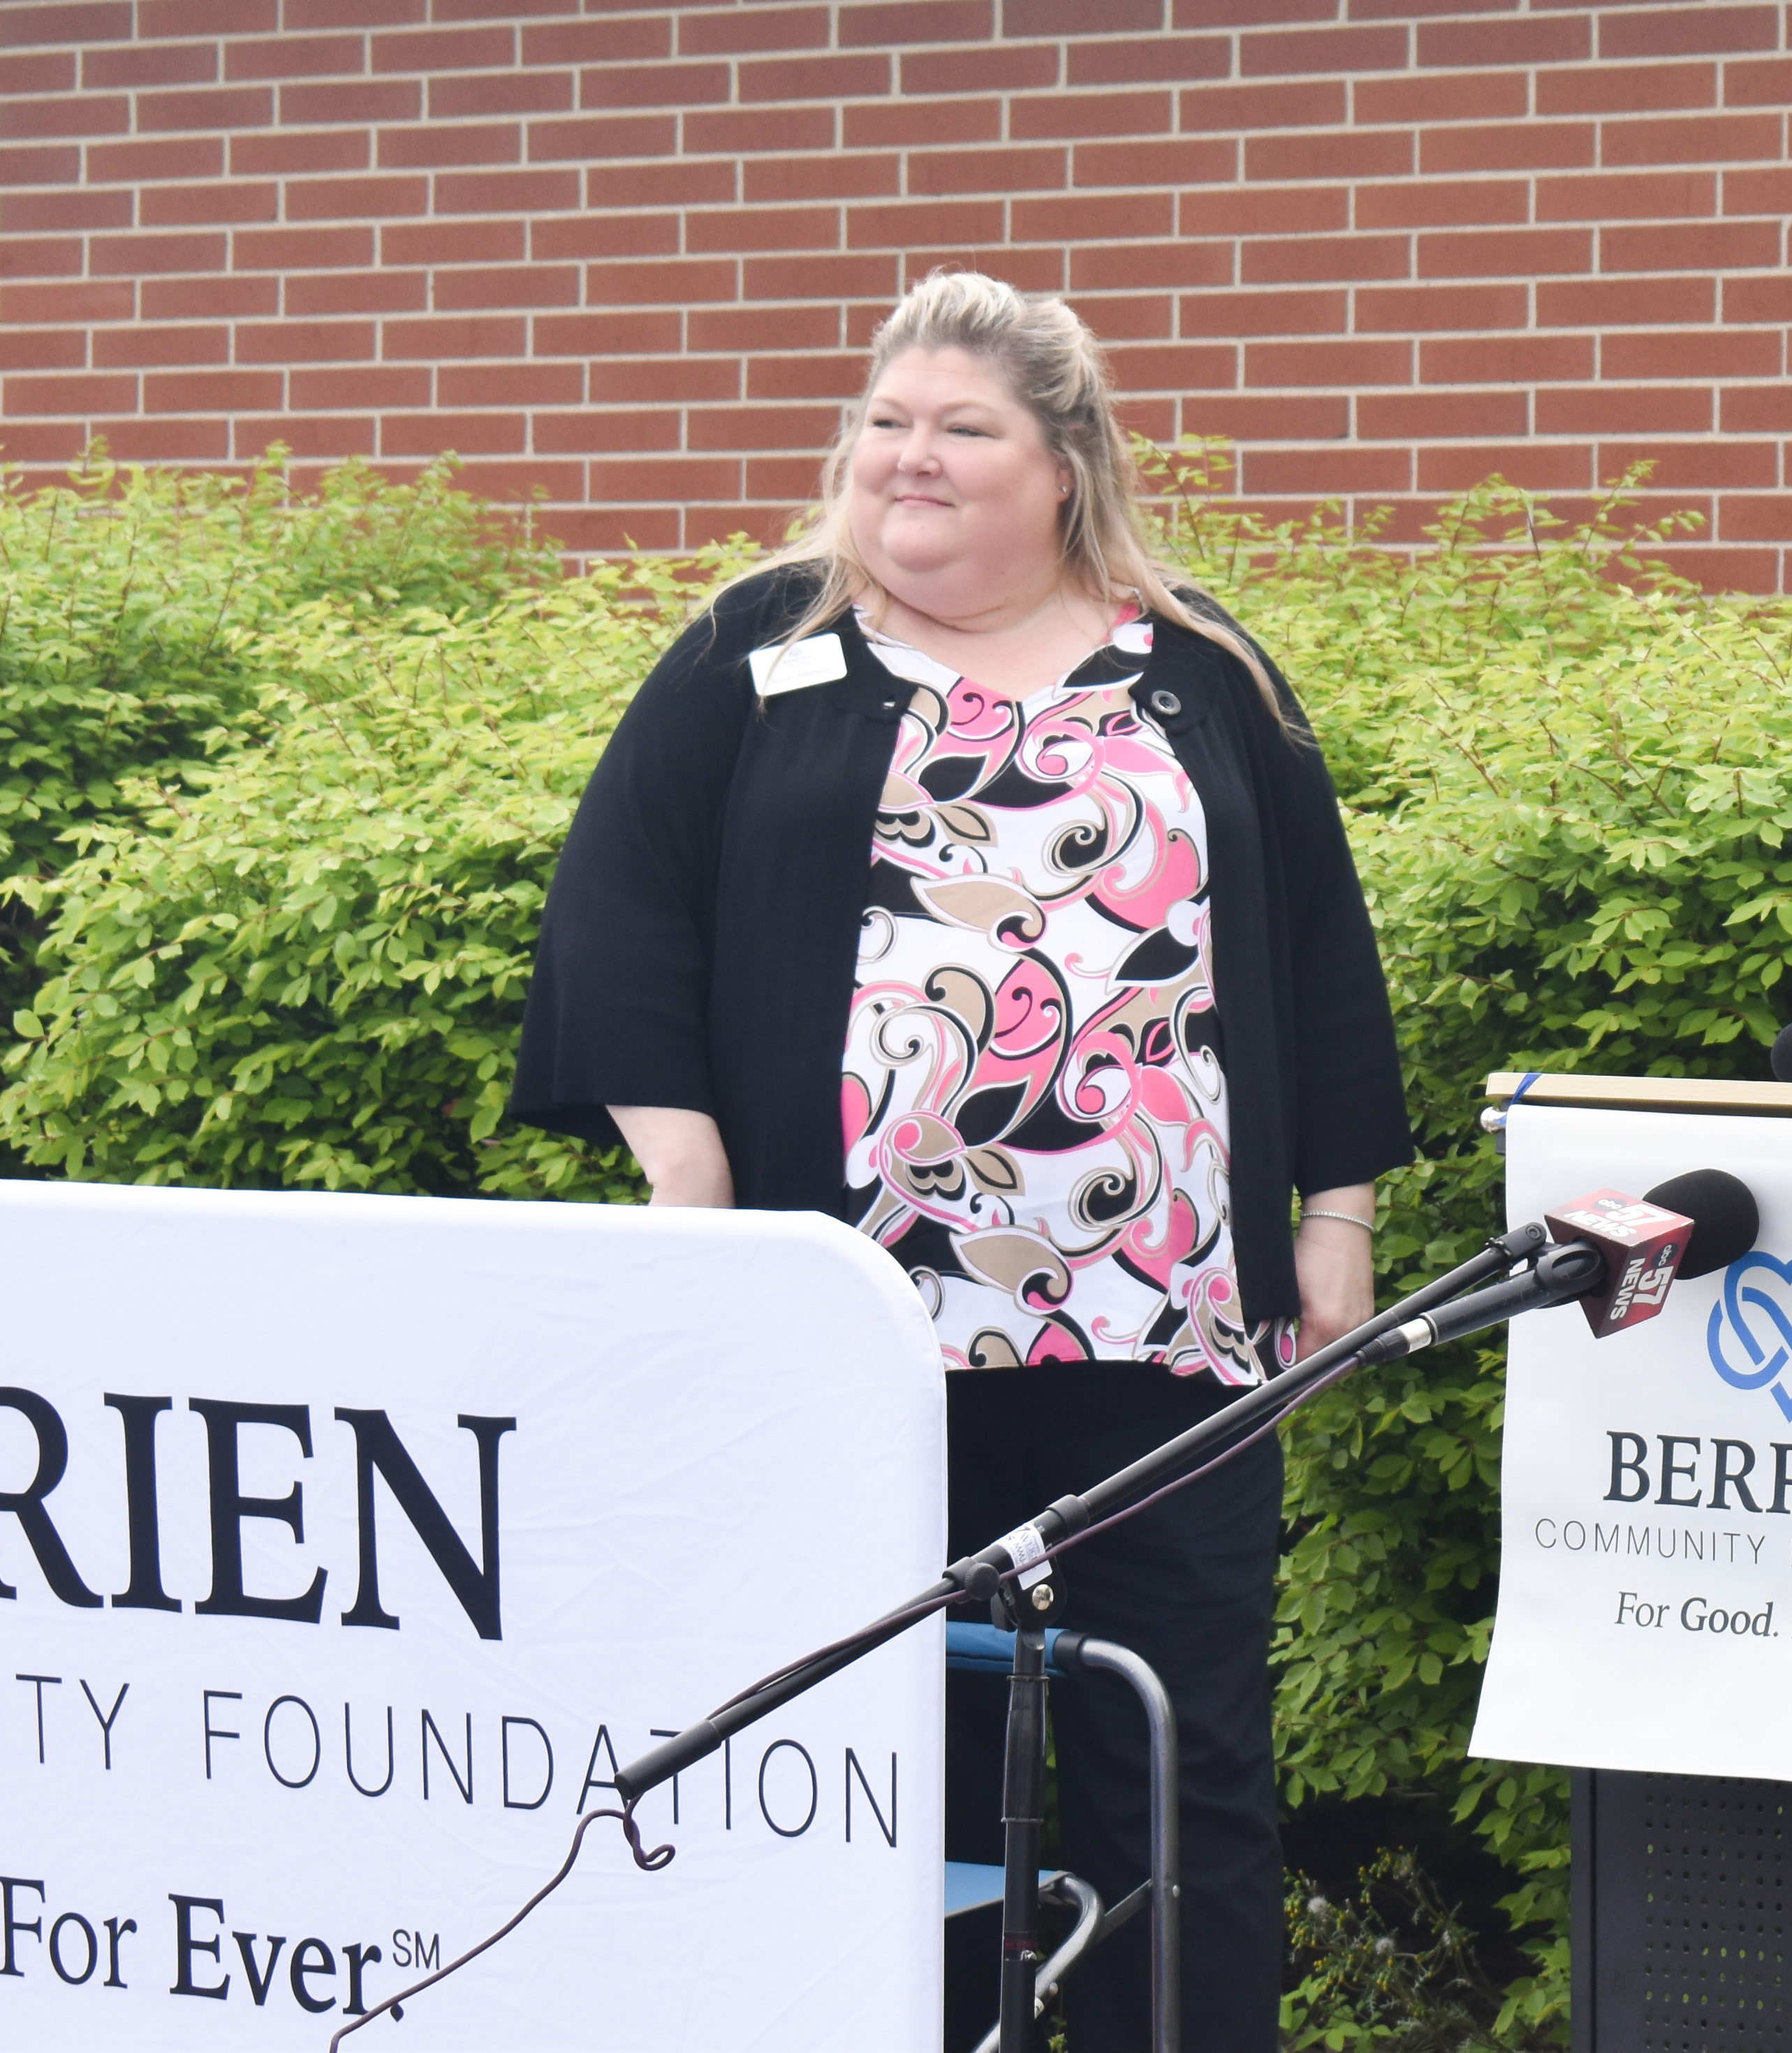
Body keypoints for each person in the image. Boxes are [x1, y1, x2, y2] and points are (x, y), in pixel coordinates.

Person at [511, 269, 1412, 2051]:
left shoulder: (1203, 663)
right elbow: (618, 919)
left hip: (1166, 1335)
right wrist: (689, 1192)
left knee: (1181, 1760)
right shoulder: (757, 652)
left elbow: (1316, 939)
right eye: (885, 422)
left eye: (960, 429)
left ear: (1060, 467)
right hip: (851, 1333)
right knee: (873, 1774)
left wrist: (1337, 1211)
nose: (904, 457)